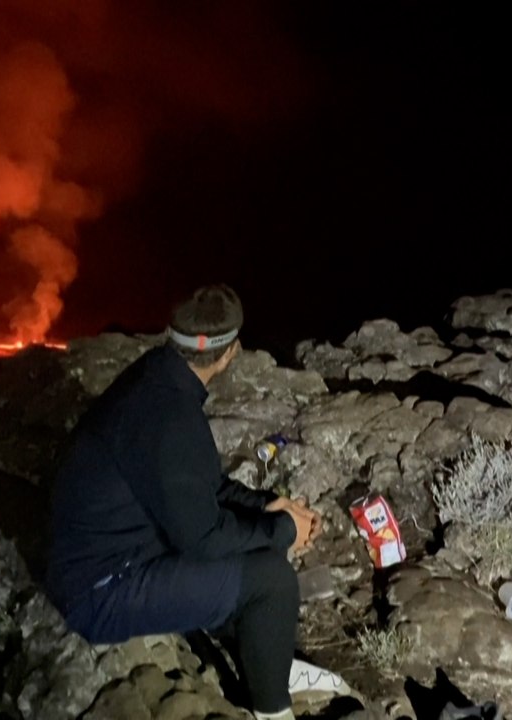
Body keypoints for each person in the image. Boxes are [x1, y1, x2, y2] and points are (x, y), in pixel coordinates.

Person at [44, 284, 321, 720]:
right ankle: (273, 711)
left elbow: (204, 485)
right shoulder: (170, 416)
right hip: (100, 591)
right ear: (230, 353)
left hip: (114, 553)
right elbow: (202, 539)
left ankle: (269, 662)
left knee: (259, 546)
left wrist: (269, 506)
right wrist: (284, 531)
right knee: (272, 579)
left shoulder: (156, 380)